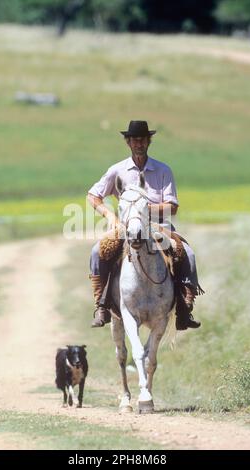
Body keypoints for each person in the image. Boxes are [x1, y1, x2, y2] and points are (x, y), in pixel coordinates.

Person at [87, 120, 202, 329]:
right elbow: (93, 196)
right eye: (134, 140)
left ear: (148, 141)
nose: (138, 144)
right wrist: (111, 216)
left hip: (159, 227)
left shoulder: (163, 170)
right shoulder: (117, 170)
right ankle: (101, 305)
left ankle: (185, 306)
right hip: (125, 228)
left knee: (187, 253)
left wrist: (143, 211)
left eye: (142, 140)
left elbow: (172, 207)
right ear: (128, 143)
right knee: (97, 252)